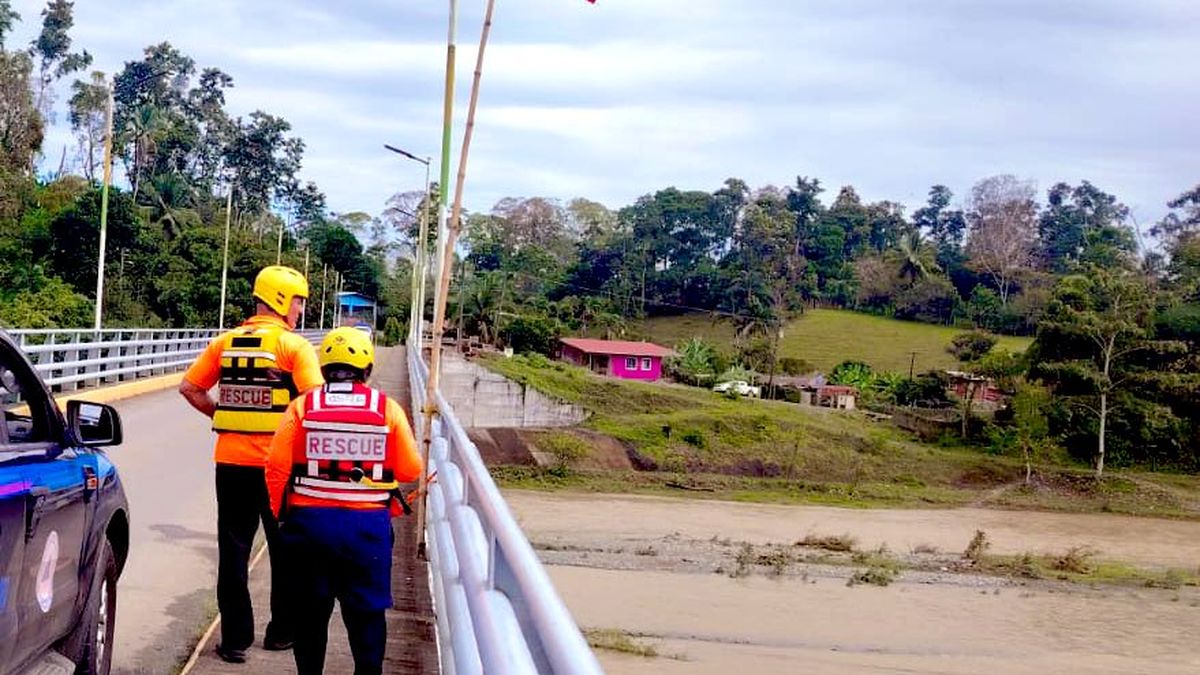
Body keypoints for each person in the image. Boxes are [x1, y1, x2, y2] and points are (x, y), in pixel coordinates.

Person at [179, 265, 323, 663]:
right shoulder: (294, 347)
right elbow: (315, 404)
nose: (300, 310)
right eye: (298, 301)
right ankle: (282, 633)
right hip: (279, 469)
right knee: (286, 552)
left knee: (233, 552)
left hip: (230, 464)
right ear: (281, 299)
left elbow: (190, 388)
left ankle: (234, 640)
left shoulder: (224, 343)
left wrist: (223, 415)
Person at [265, 327, 422, 675]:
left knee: (309, 615)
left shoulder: (302, 406)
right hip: (366, 532)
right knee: (366, 616)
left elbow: (275, 465)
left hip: (309, 527)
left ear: (323, 369)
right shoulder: (387, 409)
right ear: (367, 369)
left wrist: (281, 513)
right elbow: (411, 468)